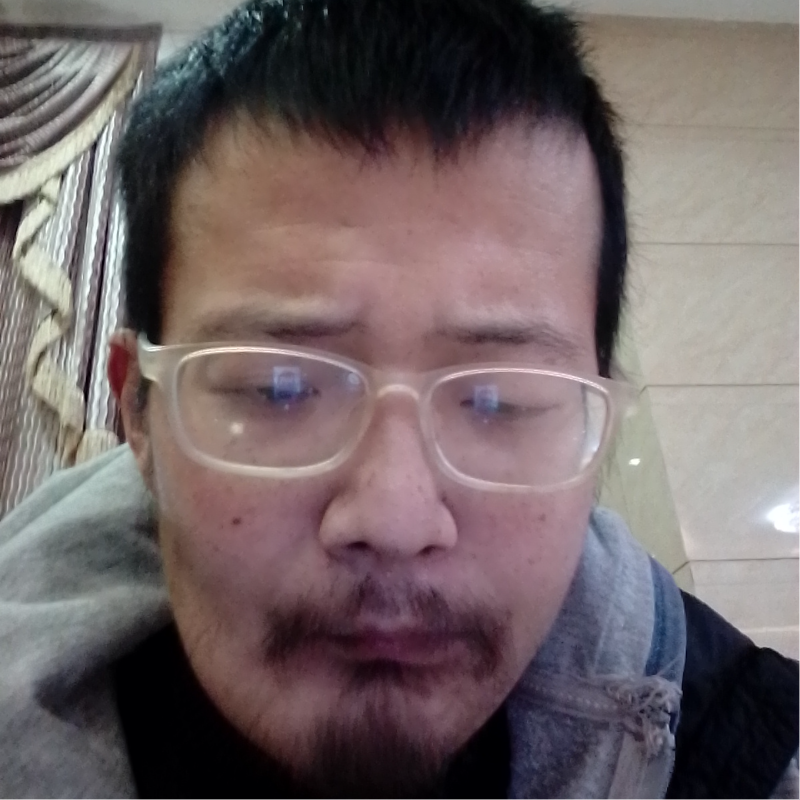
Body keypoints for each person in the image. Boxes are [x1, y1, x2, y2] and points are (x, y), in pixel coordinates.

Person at [1, 1, 799, 798]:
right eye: (280, 388)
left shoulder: (732, 747)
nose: (394, 521)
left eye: (501, 401)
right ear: (137, 411)